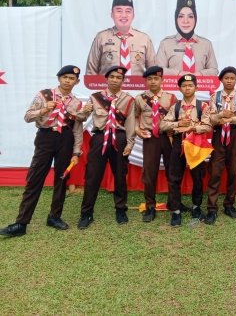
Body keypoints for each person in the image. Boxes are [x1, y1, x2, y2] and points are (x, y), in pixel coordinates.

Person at [0, 66, 84, 237]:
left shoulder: (76, 102)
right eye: (65, 77)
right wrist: (44, 110)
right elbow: (27, 117)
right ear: (59, 78)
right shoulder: (44, 95)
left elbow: (77, 129)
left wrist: (76, 152)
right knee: (35, 178)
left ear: (77, 82)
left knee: (61, 179)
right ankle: (21, 223)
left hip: (65, 139)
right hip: (46, 137)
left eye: (72, 78)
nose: (68, 81)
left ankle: (54, 217)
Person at [77, 66, 136, 229]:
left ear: (123, 81)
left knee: (120, 175)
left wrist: (130, 143)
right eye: (112, 77)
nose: (115, 80)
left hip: (120, 138)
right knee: (93, 176)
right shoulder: (95, 97)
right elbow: (81, 118)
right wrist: (84, 111)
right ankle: (86, 213)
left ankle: (120, 209)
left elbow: (131, 122)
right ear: (107, 79)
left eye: (119, 77)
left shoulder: (128, 99)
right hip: (99, 137)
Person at [202, 66, 236, 225]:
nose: (229, 81)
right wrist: (220, 115)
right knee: (215, 172)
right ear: (221, 80)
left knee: (233, 171)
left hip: (235, 135)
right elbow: (209, 118)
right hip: (218, 136)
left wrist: (231, 119)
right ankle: (212, 208)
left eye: (232, 78)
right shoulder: (214, 97)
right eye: (226, 78)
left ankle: (229, 205)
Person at [160, 74, 211, 227]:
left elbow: (208, 126)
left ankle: (196, 207)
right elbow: (162, 125)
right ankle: (176, 211)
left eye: (190, 85)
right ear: (179, 88)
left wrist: (193, 128)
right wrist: (178, 124)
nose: (187, 88)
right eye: (184, 86)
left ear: (196, 87)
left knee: (198, 177)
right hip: (178, 144)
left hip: (196, 143)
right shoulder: (175, 107)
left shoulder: (203, 106)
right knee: (174, 177)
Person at [133, 66, 177, 222]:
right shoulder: (140, 98)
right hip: (150, 138)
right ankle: (150, 206)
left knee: (172, 172)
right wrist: (137, 130)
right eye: (150, 79)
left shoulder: (171, 98)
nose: (153, 82)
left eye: (156, 78)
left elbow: (177, 118)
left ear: (161, 80)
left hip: (168, 137)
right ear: (146, 81)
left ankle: (174, 203)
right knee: (149, 173)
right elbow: (134, 117)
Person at [86, 0, 157, 76]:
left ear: (133, 15)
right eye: (119, 11)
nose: (124, 15)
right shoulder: (101, 37)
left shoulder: (144, 39)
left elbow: (154, 72)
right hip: (107, 84)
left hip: (137, 84)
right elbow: (91, 72)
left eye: (128, 11)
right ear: (112, 14)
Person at [156, 0, 218, 76]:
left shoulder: (206, 44)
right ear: (176, 19)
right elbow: (158, 70)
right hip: (174, 84)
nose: (185, 21)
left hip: (198, 84)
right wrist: (178, 74)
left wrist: (200, 74)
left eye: (190, 16)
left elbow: (214, 70)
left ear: (195, 19)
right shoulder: (166, 44)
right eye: (181, 16)